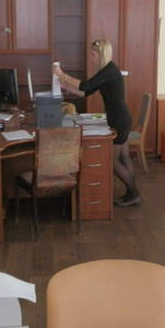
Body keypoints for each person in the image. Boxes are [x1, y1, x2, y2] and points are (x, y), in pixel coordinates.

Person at [53, 39, 140, 206]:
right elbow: (85, 92)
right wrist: (64, 86)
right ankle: (131, 192)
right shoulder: (107, 71)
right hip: (121, 118)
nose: (91, 58)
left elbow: (84, 85)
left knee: (114, 161)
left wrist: (62, 74)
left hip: (119, 120)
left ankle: (134, 193)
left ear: (101, 54)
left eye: (93, 55)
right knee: (124, 157)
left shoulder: (108, 71)